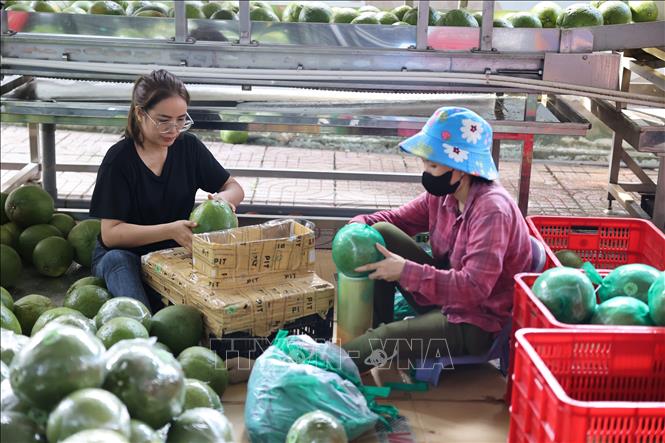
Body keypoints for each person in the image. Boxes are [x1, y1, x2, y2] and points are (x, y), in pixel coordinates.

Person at [342, 107, 532, 373]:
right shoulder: (445, 195)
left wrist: (406, 272)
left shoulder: (492, 210)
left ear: (461, 168)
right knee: (382, 232)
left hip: (476, 321)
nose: (427, 172)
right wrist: (355, 227)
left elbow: (475, 287)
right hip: (445, 295)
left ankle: (320, 365)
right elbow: (397, 220)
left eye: (433, 165)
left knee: (383, 342)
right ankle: (375, 328)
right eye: (425, 163)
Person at [89, 69, 244, 312]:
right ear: (140, 113)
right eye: (163, 120)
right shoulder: (119, 160)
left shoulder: (188, 148)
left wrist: (222, 201)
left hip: (174, 255)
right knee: (134, 297)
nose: (173, 129)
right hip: (127, 257)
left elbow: (233, 187)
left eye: (181, 119)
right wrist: (170, 230)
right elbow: (111, 234)